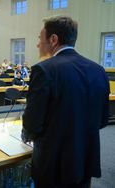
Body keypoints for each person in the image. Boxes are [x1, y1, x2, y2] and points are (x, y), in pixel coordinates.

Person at [21, 15, 109, 188]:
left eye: (40, 38)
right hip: (85, 159)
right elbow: (102, 120)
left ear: (53, 39)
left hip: (54, 165)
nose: (38, 44)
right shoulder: (99, 70)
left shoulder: (44, 70)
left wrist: (27, 134)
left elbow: (32, 124)